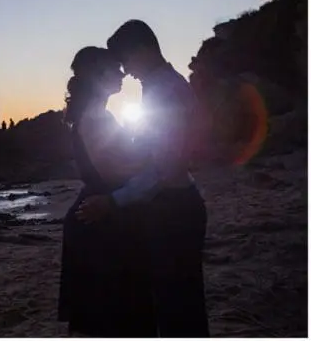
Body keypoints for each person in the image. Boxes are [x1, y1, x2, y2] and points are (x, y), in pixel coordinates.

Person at [76, 20, 210, 337]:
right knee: (174, 302)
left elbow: (165, 166)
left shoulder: (165, 90)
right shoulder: (160, 87)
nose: (126, 71)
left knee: (179, 305)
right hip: (171, 205)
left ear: (143, 50)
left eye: (126, 61)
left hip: (175, 209)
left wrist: (113, 201)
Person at [57, 46, 157, 337]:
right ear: (97, 76)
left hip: (104, 212)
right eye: (115, 69)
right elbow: (112, 171)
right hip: (100, 217)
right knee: (109, 312)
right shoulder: (95, 118)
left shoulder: (99, 115)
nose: (122, 73)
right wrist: (153, 160)